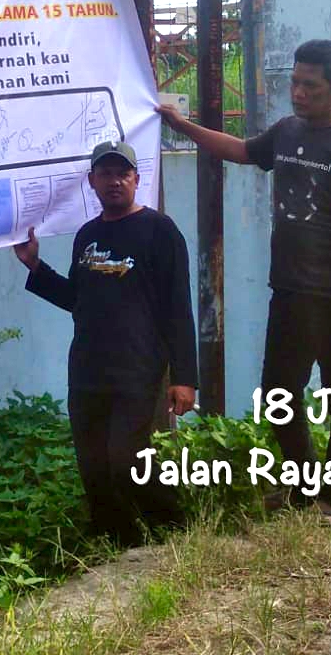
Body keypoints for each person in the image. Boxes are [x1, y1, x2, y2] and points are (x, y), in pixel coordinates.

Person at [157, 38, 331, 519]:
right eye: (295, 83)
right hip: (289, 292)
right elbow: (241, 150)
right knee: (279, 396)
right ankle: (305, 488)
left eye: (311, 86)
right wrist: (182, 126)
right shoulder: (287, 132)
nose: (298, 93)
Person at [13, 138, 198, 546]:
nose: (115, 181)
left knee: (126, 460)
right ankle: (117, 542)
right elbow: (77, 299)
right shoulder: (87, 235)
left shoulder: (160, 231)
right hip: (87, 369)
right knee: (93, 466)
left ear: (136, 179)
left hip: (137, 368)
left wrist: (185, 377)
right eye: (106, 174)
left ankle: (175, 530)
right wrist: (35, 266)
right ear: (92, 181)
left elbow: (178, 307)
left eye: (122, 174)